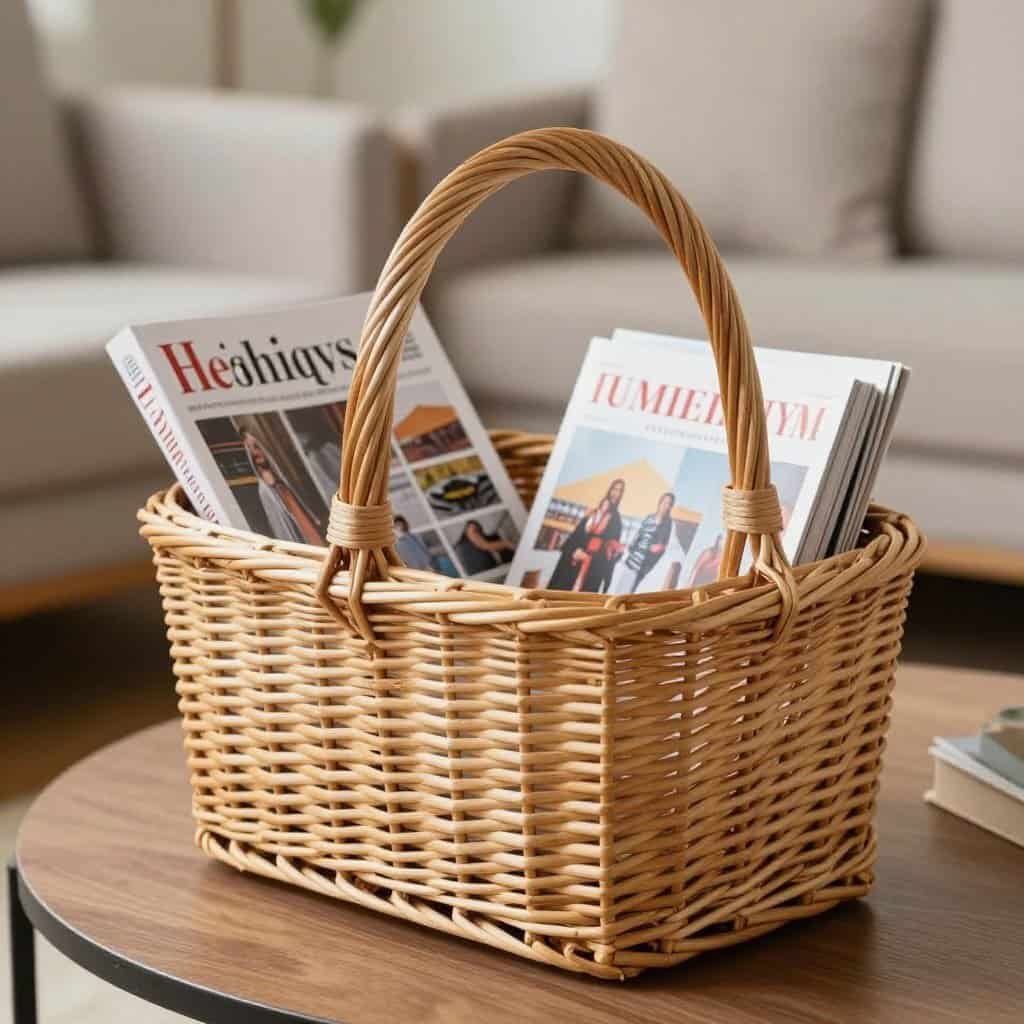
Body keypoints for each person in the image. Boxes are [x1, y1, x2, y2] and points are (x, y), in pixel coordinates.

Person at [240, 428, 323, 545]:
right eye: (250, 449)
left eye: (256, 447)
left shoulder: (281, 479)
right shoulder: (264, 490)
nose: (256, 453)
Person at [547, 478, 625, 592]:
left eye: (620, 491)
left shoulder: (616, 520)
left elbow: (612, 548)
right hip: (576, 555)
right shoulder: (593, 512)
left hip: (593, 563)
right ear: (610, 490)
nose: (616, 493)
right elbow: (578, 534)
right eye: (614, 489)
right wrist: (575, 550)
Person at [619, 492, 675, 593]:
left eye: (669, 504)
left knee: (631, 590)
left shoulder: (668, 523)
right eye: (665, 502)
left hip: (646, 563)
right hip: (633, 558)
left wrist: (659, 548)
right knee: (623, 586)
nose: (666, 506)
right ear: (660, 502)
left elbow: (663, 545)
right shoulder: (649, 517)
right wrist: (630, 549)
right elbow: (638, 535)